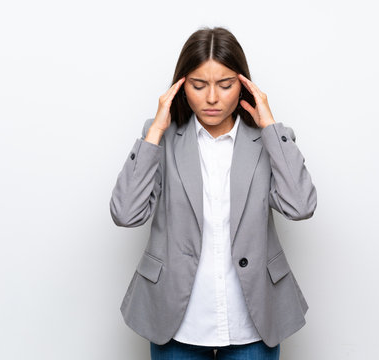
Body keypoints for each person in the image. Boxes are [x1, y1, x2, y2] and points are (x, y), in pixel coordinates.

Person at [109, 26, 317, 360]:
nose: (211, 98)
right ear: (180, 86)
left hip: (252, 320)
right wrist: (156, 131)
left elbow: (300, 206)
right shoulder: (160, 138)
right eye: (198, 85)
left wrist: (270, 127)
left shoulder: (270, 139)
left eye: (225, 84)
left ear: (243, 84)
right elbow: (126, 213)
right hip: (177, 320)